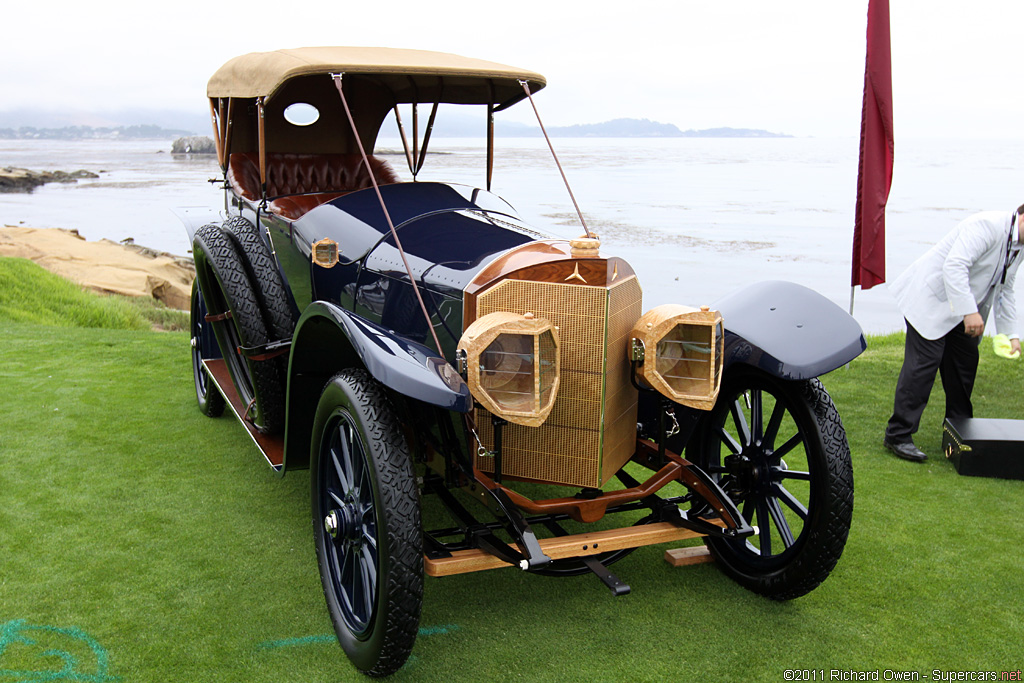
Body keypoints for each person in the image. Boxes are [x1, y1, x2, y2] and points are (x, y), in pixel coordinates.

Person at [883, 205, 1023, 461]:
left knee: (964, 366)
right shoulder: (987, 226)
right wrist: (969, 312)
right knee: (923, 366)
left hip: (963, 308)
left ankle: (958, 434)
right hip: (931, 300)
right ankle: (898, 435)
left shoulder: (1018, 246)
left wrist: (1011, 334)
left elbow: (1006, 288)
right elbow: (954, 266)